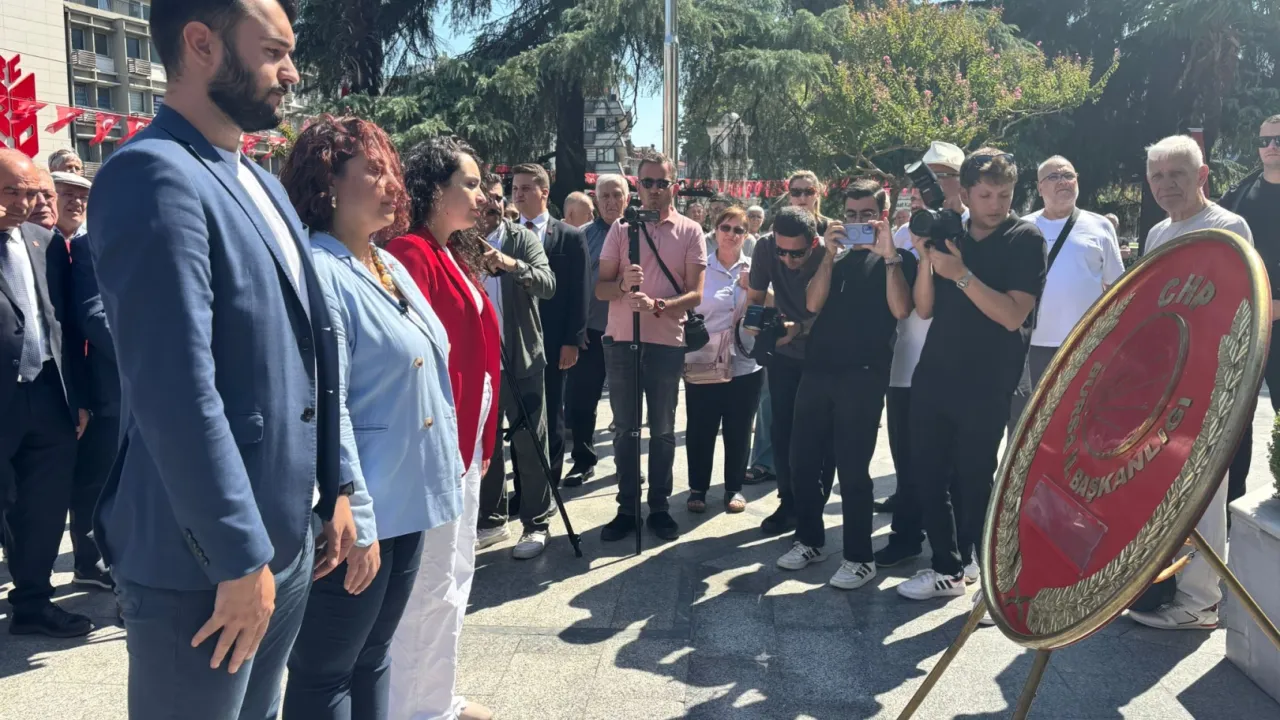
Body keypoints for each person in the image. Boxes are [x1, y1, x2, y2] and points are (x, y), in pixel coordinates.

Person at [86, 1, 357, 716]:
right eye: (272, 51)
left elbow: (312, 348)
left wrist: (336, 487)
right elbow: (174, 389)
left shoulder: (259, 181)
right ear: (200, 43)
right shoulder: (151, 174)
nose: (291, 72)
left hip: (287, 536)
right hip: (203, 562)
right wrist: (236, 554)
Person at [274, 116, 459, 720]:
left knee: (374, 655)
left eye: (391, 171)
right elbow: (330, 404)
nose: (392, 185)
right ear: (327, 183)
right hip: (362, 508)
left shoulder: (384, 262)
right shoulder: (321, 269)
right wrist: (357, 516)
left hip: (406, 495)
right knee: (326, 671)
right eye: (373, 171)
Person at [895, 149, 1046, 601]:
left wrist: (961, 274)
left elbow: (1013, 315)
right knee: (927, 472)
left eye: (1005, 194)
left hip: (987, 380)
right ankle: (947, 569)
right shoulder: (952, 234)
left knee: (975, 478)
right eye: (985, 195)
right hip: (935, 374)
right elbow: (924, 308)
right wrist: (926, 257)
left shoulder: (1025, 238)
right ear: (964, 193)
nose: (995, 204)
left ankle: (987, 570)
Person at [385, 136, 498, 720]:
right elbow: (413, 360)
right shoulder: (409, 252)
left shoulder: (449, 251)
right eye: (470, 184)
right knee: (428, 583)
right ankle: (411, 708)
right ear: (434, 189)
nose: (483, 195)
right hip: (436, 446)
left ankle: (437, 697)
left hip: (465, 440)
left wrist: (482, 439)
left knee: (454, 572)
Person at [1126, 135, 1253, 632]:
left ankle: (1201, 601)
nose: (1166, 184)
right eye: (1157, 175)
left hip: (1209, 378)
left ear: (1202, 176)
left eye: (1177, 173)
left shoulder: (1228, 226)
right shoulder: (1158, 232)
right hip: (1164, 379)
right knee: (1163, 486)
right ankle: (1163, 588)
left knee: (1204, 492)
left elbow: (1234, 304)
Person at [776, 179, 916, 590]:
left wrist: (888, 256)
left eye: (866, 215)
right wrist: (828, 254)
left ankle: (859, 557)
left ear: (882, 216)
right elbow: (812, 303)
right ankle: (809, 540)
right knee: (802, 462)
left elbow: (901, 309)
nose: (858, 222)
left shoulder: (899, 259)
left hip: (864, 374)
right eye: (851, 215)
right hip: (818, 369)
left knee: (853, 469)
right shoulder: (832, 259)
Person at [595, 152, 706, 542]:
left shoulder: (690, 230)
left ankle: (658, 507)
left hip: (666, 343)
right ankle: (627, 508)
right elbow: (601, 289)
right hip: (622, 341)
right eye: (647, 182)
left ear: (674, 186)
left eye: (662, 183)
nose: (654, 190)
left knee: (661, 430)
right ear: (637, 186)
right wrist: (623, 285)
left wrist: (658, 305)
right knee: (625, 429)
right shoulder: (621, 229)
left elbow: (695, 294)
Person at [0, 150, 89, 638]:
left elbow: (65, 324)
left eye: (31, 193)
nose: (24, 202)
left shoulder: (46, 242)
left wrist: (78, 396)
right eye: (11, 191)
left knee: (43, 507)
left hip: (48, 395)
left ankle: (32, 603)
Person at [874, 142, 968, 526]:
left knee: (953, 458)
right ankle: (907, 514)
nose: (932, 185)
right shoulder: (903, 233)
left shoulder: (973, 229)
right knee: (904, 445)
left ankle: (953, 531)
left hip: (953, 363)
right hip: (905, 361)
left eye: (943, 176)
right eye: (926, 178)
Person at [473, 173, 559, 559]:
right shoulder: (458, 241)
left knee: (529, 442)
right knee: (485, 443)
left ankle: (537, 522)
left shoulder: (520, 238)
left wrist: (511, 265)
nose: (491, 204)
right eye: (483, 198)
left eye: (497, 197)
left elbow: (547, 283)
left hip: (521, 357)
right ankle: (492, 519)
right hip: (478, 363)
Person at [1007, 156, 1123, 434]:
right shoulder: (1022, 227)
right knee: (1026, 427)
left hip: (1083, 345)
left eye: (1068, 176)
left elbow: (1117, 287)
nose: (1063, 182)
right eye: (1054, 177)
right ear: (1039, 188)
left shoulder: (1100, 226)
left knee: (1079, 425)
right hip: (1029, 348)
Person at [747, 205, 836, 535]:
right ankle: (788, 502)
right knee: (782, 430)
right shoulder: (765, 247)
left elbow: (836, 311)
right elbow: (756, 296)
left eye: (796, 253)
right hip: (783, 353)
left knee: (820, 435)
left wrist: (800, 327)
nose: (787, 259)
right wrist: (754, 323)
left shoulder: (829, 252)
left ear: (812, 243)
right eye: (781, 251)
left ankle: (813, 506)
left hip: (824, 354)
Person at [512, 163, 589, 489]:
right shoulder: (505, 235)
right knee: (519, 416)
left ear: (544, 192)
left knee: (551, 411)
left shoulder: (569, 236)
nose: (518, 194)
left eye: (526, 188)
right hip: (516, 340)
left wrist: (573, 340)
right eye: (515, 189)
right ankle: (523, 488)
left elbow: (579, 291)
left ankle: (548, 485)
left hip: (555, 341)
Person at [55, 170, 114, 591]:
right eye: (67, 194)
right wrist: (147, 354)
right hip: (105, 383)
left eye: (82, 196)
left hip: (148, 385)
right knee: (96, 477)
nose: (76, 202)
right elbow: (91, 316)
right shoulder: (86, 246)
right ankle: (89, 561)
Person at [684, 207, 762, 515]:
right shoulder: (699, 267)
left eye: (738, 230)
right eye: (725, 228)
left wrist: (754, 290)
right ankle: (697, 488)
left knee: (739, 428)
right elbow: (688, 308)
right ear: (715, 231)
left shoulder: (756, 269)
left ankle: (734, 487)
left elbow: (774, 304)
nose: (731, 234)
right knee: (700, 427)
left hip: (745, 361)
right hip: (704, 359)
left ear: (746, 234)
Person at [1220, 114, 1280, 505]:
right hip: (1247, 323)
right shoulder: (1239, 194)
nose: (1271, 147)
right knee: (1236, 419)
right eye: (1264, 141)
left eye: (1279, 140)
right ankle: (1231, 505)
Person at [565, 174, 629, 487]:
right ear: (596, 200)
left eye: (617, 195)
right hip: (590, 332)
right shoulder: (581, 236)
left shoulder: (639, 234)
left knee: (627, 406)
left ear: (627, 198)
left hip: (628, 333)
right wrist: (574, 331)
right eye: (605, 196)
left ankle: (627, 463)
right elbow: (569, 287)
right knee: (582, 401)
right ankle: (582, 459)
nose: (611, 202)